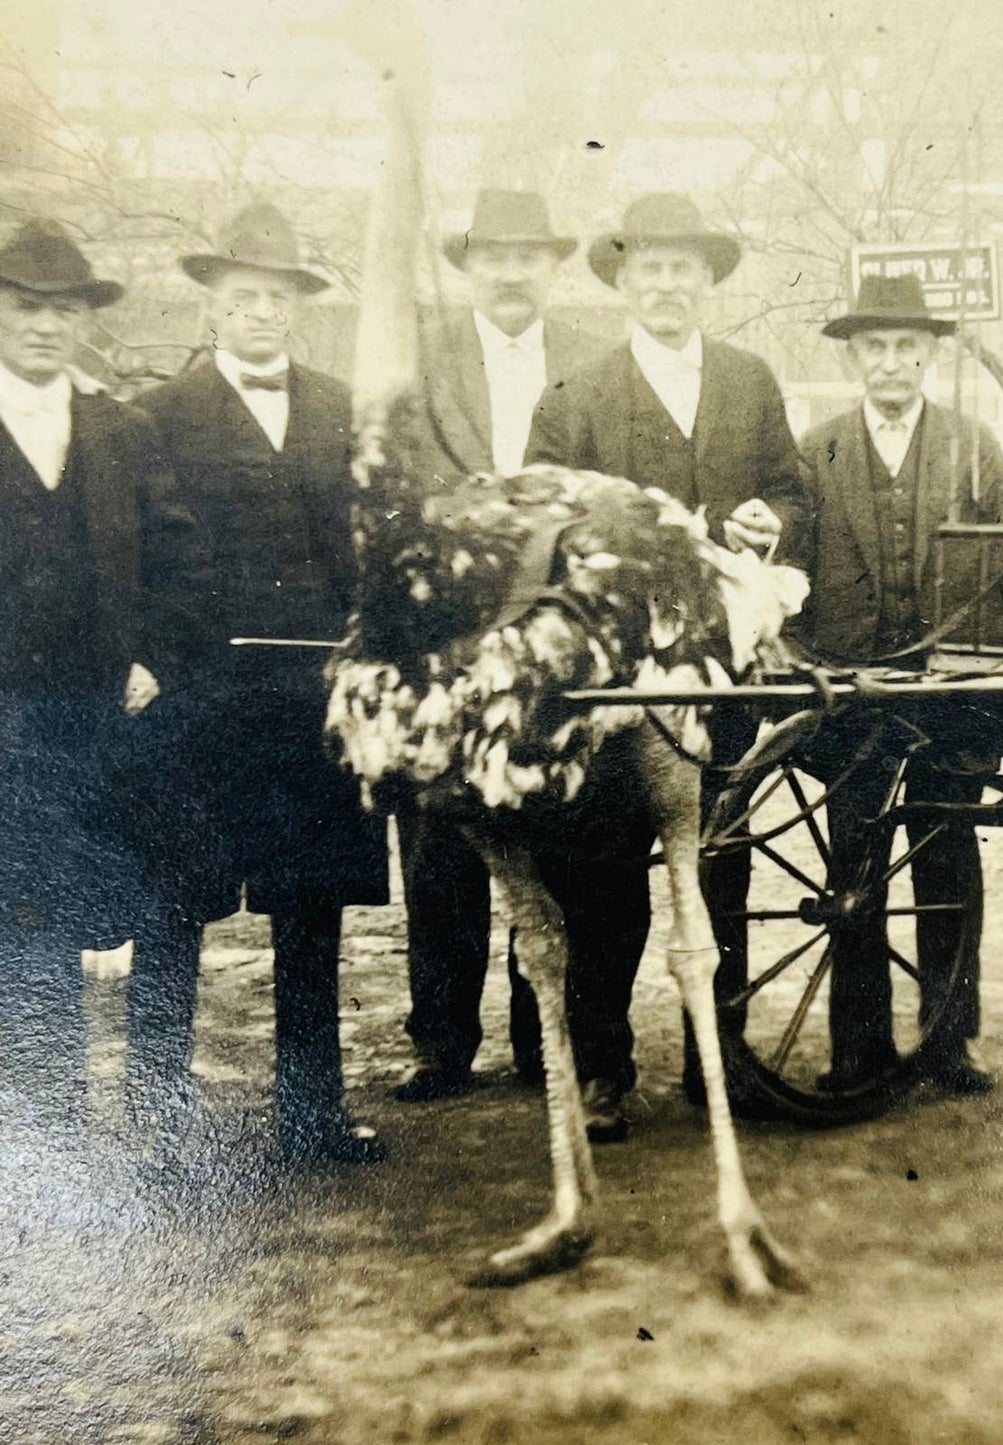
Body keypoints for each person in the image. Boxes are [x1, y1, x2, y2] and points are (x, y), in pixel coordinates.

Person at [526, 191, 814, 1140]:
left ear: (705, 282)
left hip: (721, 664)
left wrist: (771, 522)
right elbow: (543, 514)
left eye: (683, 269)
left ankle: (715, 1058)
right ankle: (605, 1072)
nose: (666, 285)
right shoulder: (577, 393)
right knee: (605, 871)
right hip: (619, 674)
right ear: (622, 281)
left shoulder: (749, 378)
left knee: (721, 858)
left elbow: (786, 487)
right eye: (648, 268)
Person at [124, 202, 389, 1165]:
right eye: (244, 298)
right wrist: (161, 659)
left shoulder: (336, 407)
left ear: (296, 309)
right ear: (215, 307)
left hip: (311, 701)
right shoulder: (157, 415)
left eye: (277, 298)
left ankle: (312, 1116)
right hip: (202, 702)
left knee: (310, 907)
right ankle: (158, 1128)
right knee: (176, 904)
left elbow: (367, 550)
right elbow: (141, 555)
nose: (262, 314)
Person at [394, 189, 612, 1104]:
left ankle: (540, 1037)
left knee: (552, 827)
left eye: (530, 255)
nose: (513, 271)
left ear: (553, 268)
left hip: (553, 632)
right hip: (450, 630)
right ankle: (442, 1039)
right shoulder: (426, 366)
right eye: (495, 255)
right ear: (469, 267)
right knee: (444, 841)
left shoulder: (593, 365)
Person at [794, 273, 1003, 1091]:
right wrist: (812, 669)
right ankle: (856, 1050)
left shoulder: (973, 445)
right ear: (855, 358)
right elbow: (789, 573)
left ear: (927, 357)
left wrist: (981, 671)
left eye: (905, 348)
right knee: (853, 867)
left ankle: (948, 1039)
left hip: (949, 694)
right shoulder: (813, 450)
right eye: (875, 348)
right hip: (853, 696)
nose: (889, 363)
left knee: (946, 860)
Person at [0, 219, 196, 1142]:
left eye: (61, 312)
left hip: (100, 714)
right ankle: (40, 1137)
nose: (43, 327)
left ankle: (139, 1115)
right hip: (5, 718)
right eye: (23, 309)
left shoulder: (121, 429)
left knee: (121, 902)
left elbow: (175, 553)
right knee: (19, 915)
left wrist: (154, 653)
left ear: (84, 322)